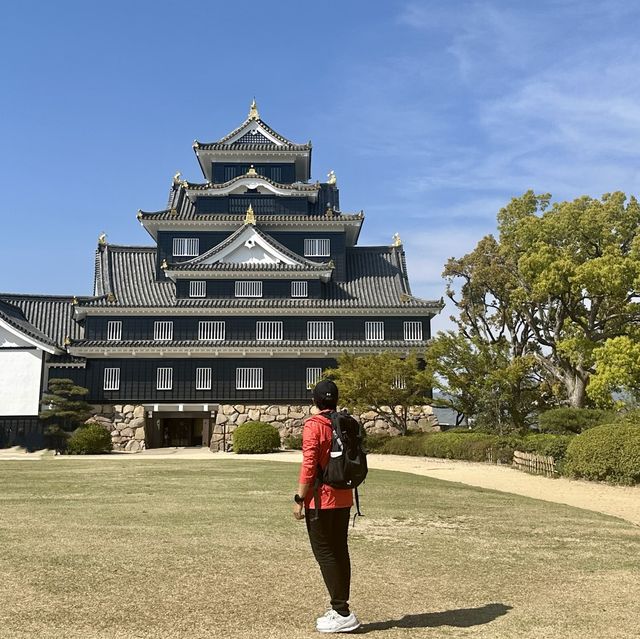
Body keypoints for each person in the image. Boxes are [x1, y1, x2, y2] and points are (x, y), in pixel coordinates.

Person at [293, 380, 361, 633]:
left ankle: (342, 611)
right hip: (344, 496)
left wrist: (299, 498)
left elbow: (309, 463)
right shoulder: (346, 423)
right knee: (340, 551)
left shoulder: (315, 425)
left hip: (321, 500)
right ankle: (340, 609)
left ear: (315, 401)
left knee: (325, 554)